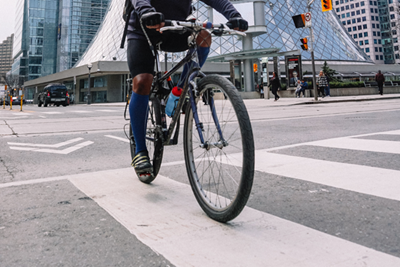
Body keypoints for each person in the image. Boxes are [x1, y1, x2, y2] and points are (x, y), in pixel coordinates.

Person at [127, 0, 248, 176]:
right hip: (143, 28)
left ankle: (179, 91)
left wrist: (234, 15)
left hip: (175, 28)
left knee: (204, 36)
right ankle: (140, 151)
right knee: (143, 81)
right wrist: (146, 10)